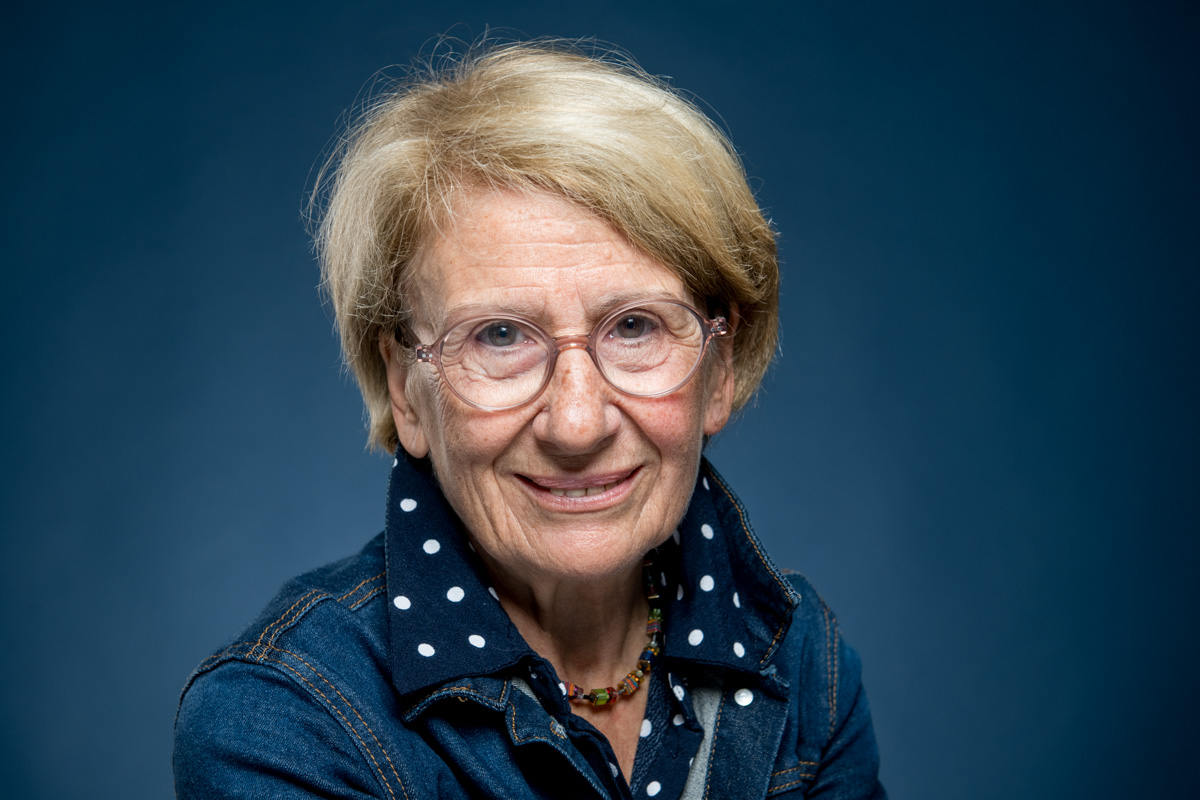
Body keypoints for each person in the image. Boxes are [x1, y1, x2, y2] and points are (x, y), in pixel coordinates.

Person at [173, 40, 885, 799]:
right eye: (500, 336)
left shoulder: (801, 658)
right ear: (406, 390)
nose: (576, 425)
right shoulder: (285, 720)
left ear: (720, 367)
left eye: (635, 326)